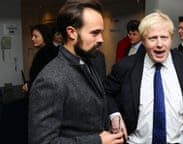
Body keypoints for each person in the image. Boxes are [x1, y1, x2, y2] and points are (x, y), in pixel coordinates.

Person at [104, 11, 183, 144]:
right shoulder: (125, 65)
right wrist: (114, 114)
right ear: (143, 41)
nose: (159, 44)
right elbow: (105, 92)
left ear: (171, 38)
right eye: (152, 38)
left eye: (164, 37)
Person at [28, 0, 124, 144]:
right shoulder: (50, 80)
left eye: (101, 32)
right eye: (95, 33)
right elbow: (42, 141)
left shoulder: (90, 62)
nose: (101, 39)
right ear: (72, 32)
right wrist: (98, 141)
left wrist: (111, 116)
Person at [22, 24, 52, 94]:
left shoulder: (48, 53)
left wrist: (30, 85)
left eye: (36, 36)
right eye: (32, 36)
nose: (32, 39)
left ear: (44, 36)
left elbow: (48, 79)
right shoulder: (43, 51)